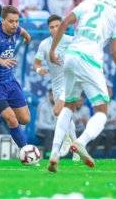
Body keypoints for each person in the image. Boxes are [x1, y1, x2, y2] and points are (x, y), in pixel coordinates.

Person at [48, 0, 116, 172]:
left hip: (71, 55)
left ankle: (54, 154)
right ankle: (81, 142)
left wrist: (52, 50)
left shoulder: (88, 3)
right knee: (102, 110)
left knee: (69, 105)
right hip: (90, 58)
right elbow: (115, 51)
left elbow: (63, 23)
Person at [0, 5, 31, 150]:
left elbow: (24, 32)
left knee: (25, 119)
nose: (15, 24)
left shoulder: (16, 29)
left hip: (9, 80)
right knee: (12, 119)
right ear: (2, 21)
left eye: (17, 21)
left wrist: (27, 37)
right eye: (11, 21)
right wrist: (2, 61)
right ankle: (26, 151)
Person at [34, 14, 78, 159]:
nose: (54, 29)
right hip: (57, 84)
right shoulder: (44, 44)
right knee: (64, 116)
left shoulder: (71, 41)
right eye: (51, 27)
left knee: (57, 110)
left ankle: (66, 140)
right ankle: (77, 149)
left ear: (62, 26)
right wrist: (39, 70)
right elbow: (36, 63)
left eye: (57, 26)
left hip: (71, 81)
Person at [90, 85, 116, 158]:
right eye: (106, 92)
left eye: (109, 92)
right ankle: (106, 156)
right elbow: (97, 122)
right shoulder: (98, 105)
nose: (108, 94)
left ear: (112, 94)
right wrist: (110, 121)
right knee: (110, 134)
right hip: (104, 129)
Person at [35, 89, 56, 158]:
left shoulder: (59, 105)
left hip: (53, 130)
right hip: (41, 130)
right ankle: (47, 155)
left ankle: (61, 155)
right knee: (49, 132)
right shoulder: (43, 105)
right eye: (52, 95)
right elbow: (40, 124)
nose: (54, 97)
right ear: (49, 95)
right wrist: (54, 127)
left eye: (55, 95)